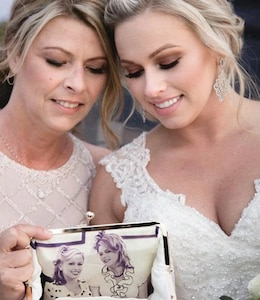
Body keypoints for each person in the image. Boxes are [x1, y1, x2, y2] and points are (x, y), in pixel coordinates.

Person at [89, 0, 260, 299]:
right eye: (133, 72)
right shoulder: (114, 180)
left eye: (168, 62)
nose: (151, 88)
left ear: (218, 43)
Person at [0, 0, 122, 299]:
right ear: (14, 52)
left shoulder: (108, 172)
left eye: (95, 68)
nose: (78, 84)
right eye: (57, 61)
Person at [90, 230, 148, 298]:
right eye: (101, 254)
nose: (104, 256)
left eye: (108, 251)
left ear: (119, 250)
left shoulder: (139, 277)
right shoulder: (95, 279)